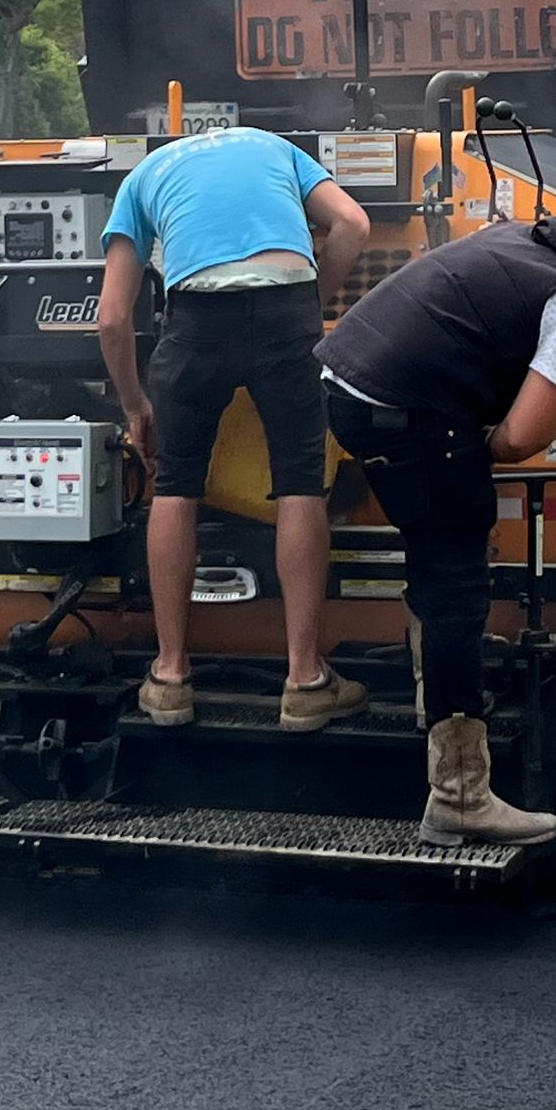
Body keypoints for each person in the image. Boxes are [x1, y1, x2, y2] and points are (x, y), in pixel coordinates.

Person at [319, 199, 556, 849]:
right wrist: (479, 448)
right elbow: (524, 436)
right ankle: (459, 797)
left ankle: (431, 702)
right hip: (410, 408)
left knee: (436, 547)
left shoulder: (534, 238)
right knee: (457, 586)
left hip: (346, 379)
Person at [96, 127, 371, 730]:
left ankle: (170, 676)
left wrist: (135, 405)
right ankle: (305, 679)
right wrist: (313, 305)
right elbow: (353, 225)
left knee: (174, 486)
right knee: (301, 482)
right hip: (288, 306)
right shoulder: (274, 147)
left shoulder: (143, 175)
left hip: (196, 317)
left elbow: (112, 317)